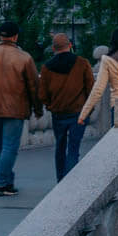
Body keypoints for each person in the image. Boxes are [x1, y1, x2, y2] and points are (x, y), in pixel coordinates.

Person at [0, 22, 40, 197]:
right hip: (15, 109)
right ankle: (1, 183)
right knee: (10, 147)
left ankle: (8, 182)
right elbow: (33, 86)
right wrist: (38, 108)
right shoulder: (24, 57)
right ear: (16, 36)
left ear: (0, 35)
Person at [37, 33, 94, 181]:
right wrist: (88, 109)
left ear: (53, 49)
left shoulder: (47, 67)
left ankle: (60, 180)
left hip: (58, 114)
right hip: (78, 112)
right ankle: (70, 182)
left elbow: (42, 94)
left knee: (60, 147)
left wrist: (51, 106)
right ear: (70, 45)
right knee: (73, 148)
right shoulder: (82, 63)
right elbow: (91, 89)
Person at [80, 28, 118, 129]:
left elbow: (98, 89)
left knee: (117, 141)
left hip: (117, 104)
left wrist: (84, 113)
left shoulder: (107, 60)